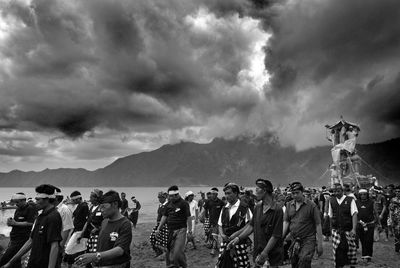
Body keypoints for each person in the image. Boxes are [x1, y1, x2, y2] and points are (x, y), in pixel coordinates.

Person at [2, 184, 62, 268]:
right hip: (34, 262)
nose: (35, 202)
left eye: (38, 199)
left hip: (44, 263)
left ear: (47, 199)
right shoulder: (41, 216)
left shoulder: (53, 216)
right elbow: (31, 241)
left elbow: (54, 245)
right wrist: (10, 262)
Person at [229, 179, 284, 268]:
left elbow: (276, 236)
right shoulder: (258, 207)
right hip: (258, 250)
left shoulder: (277, 210)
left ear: (265, 190)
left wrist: (264, 253)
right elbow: (251, 226)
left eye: (257, 189)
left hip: (272, 253)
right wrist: (238, 238)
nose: (255, 192)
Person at [75, 190, 132, 268]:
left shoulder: (125, 224)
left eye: (104, 207)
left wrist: (95, 256)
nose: (101, 210)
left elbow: (120, 250)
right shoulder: (104, 221)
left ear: (115, 204)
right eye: (100, 207)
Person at [282, 182, 323, 268]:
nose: (295, 195)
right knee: (295, 263)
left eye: (297, 193)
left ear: (302, 192)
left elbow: (318, 224)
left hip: (308, 240)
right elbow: (286, 222)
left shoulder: (312, 205)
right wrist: (281, 237)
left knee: (304, 261)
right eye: (293, 193)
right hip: (294, 239)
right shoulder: (289, 205)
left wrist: (320, 244)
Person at [216, 182, 252, 268]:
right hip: (225, 242)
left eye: (229, 193)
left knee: (241, 265)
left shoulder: (244, 208)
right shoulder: (224, 208)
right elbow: (220, 224)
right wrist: (222, 234)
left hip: (239, 242)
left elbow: (250, 224)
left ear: (236, 193)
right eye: (225, 193)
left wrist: (237, 234)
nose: (226, 196)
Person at [155, 185, 192, 268]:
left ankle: (182, 265)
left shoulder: (184, 204)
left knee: (177, 252)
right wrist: (158, 229)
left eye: (171, 196)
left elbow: (189, 217)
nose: (169, 198)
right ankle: (174, 265)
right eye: (169, 196)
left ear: (176, 195)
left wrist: (190, 231)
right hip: (170, 230)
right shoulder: (168, 204)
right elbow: (164, 216)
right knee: (169, 252)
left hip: (181, 230)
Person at [0, 193, 37, 268]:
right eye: (15, 202)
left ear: (23, 200)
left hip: (22, 238)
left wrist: (15, 223)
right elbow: (17, 222)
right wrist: (11, 223)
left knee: (4, 259)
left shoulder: (30, 208)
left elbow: (31, 223)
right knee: (16, 260)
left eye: (17, 202)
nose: (16, 204)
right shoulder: (18, 209)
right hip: (14, 237)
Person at [329, 183, 358, 268]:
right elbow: (330, 216)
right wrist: (331, 229)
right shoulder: (332, 200)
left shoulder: (350, 200)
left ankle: (351, 265)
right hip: (336, 230)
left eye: (338, 191)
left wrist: (354, 229)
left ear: (342, 191)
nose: (336, 193)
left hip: (348, 230)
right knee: (338, 250)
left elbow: (354, 214)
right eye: (334, 191)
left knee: (350, 249)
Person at [64, 191, 89, 268]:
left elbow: (87, 220)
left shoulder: (84, 206)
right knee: (71, 248)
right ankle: (72, 264)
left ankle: (77, 262)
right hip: (76, 229)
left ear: (78, 198)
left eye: (74, 200)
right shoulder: (79, 205)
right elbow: (73, 215)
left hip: (80, 230)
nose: (73, 201)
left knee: (68, 249)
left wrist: (82, 233)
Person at [79, 189, 104, 265]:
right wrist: (82, 233)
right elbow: (88, 222)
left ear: (96, 198)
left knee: (96, 254)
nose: (90, 199)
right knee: (89, 252)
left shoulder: (101, 208)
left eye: (91, 197)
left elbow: (106, 221)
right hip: (91, 235)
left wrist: (98, 228)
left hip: (99, 235)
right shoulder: (91, 208)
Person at [356, 189, 378, 263]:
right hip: (360, 224)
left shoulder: (372, 202)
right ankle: (365, 255)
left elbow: (375, 213)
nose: (363, 196)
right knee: (362, 240)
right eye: (361, 194)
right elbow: (354, 213)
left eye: (364, 194)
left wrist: (379, 223)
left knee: (369, 240)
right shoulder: (356, 202)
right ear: (359, 195)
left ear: (367, 195)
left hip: (370, 224)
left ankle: (368, 255)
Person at [53, 188, 74, 268]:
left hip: (58, 243)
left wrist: (60, 246)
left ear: (56, 198)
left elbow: (67, 229)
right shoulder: (53, 209)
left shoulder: (64, 210)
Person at [203, 187, 225, 255]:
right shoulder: (208, 201)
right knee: (209, 234)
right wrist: (201, 215)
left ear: (216, 194)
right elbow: (204, 209)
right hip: (210, 220)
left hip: (218, 221)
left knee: (215, 234)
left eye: (213, 194)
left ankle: (213, 249)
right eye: (211, 194)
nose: (212, 195)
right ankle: (213, 245)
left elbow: (224, 210)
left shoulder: (220, 202)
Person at [149, 191, 169, 257]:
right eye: (159, 197)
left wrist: (160, 226)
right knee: (152, 238)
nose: (159, 199)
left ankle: (164, 253)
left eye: (160, 197)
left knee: (162, 240)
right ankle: (159, 252)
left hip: (164, 225)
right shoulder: (160, 205)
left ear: (164, 198)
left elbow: (165, 217)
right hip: (158, 224)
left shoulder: (167, 205)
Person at [388, 185, 400, 252]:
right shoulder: (393, 199)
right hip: (395, 219)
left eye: (399, 191)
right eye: (397, 191)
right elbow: (390, 210)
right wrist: (390, 219)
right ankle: (397, 246)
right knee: (396, 233)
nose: (398, 193)